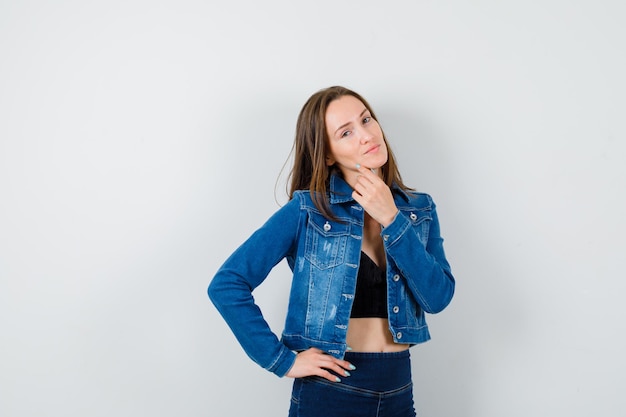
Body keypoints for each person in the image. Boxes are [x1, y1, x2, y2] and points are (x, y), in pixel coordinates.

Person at [208, 86, 455, 417]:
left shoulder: (418, 210)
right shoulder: (307, 211)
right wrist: (282, 361)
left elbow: (437, 298)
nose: (366, 135)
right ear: (327, 154)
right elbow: (227, 284)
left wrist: (391, 219)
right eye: (346, 132)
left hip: (398, 388)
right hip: (330, 392)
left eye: (367, 120)